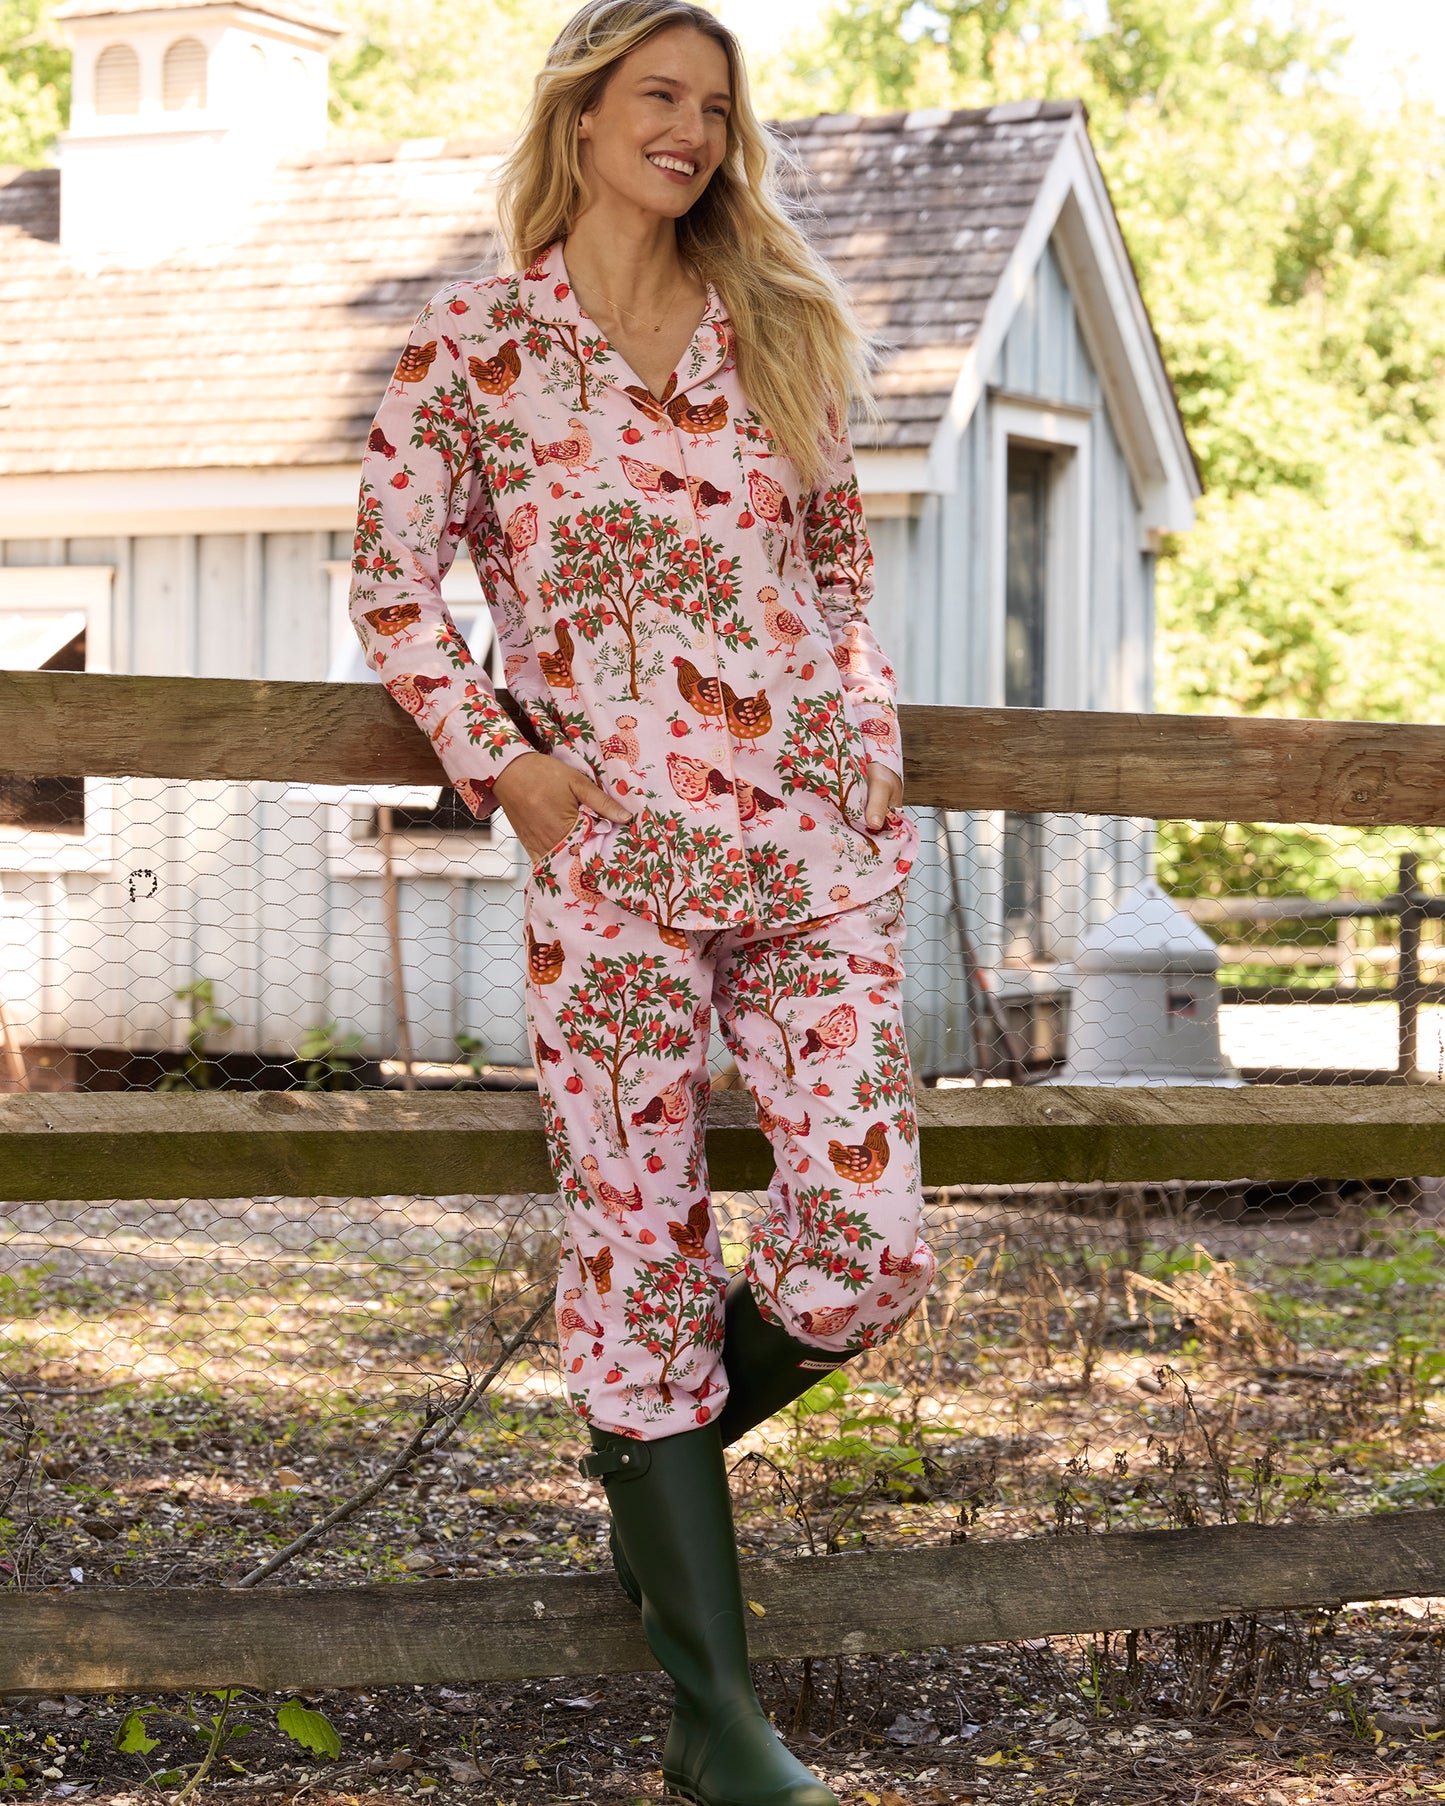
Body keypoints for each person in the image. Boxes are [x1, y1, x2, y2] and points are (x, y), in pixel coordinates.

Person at [349, 3, 935, 1798]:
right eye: (656, 96)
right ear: (583, 116)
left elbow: (838, 574)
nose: (688, 129)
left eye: (713, 107)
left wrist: (861, 735)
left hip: (807, 851)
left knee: (866, 1246)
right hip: (607, 862)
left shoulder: (778, 327)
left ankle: (644, 1462)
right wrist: (499, 761)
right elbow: (391, 586)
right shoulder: (471, 349)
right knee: (641, 1248)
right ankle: (718, 1718)